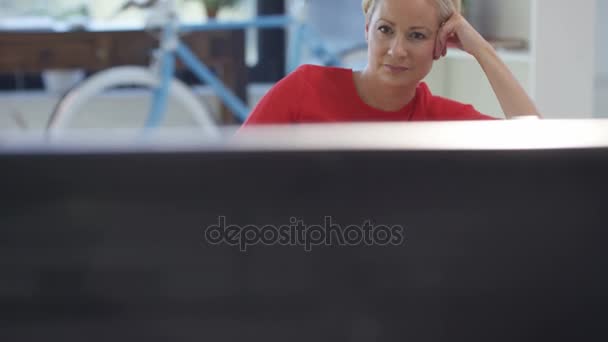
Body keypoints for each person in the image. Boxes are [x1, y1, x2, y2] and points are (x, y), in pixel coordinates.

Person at [242, 0, 540, 126]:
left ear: (440, 45)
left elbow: (535, 142)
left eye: (417, 35)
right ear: (366, 30)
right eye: (385, 29)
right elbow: (232, 177)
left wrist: (482, 50)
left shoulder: (443, 121)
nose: (397, 50)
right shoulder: (305, 88)